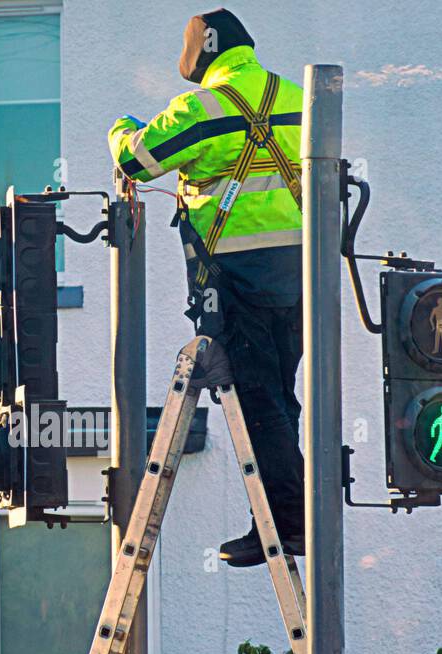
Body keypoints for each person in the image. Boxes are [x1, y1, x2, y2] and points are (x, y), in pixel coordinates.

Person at [108, 8, 306, 565]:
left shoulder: (200, 109)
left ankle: (287, 524)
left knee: (257, 402)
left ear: (204, 51)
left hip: (236, 281)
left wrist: (120, 127)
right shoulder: (297, 98)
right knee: (278, 400)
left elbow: (138, 160)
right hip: (300, 284)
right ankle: (282, 517)